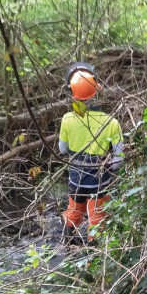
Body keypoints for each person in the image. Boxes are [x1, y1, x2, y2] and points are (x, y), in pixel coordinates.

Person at [59, 62, 123, 244]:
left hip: (75, 179)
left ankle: (67, 245)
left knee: (74, 212)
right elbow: (118, 160)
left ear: (73, 94)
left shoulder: (67, 119)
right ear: (98, 91)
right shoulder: (112, 122)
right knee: (97, 220)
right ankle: (92, 261)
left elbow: (62, 150)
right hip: (99, 182)